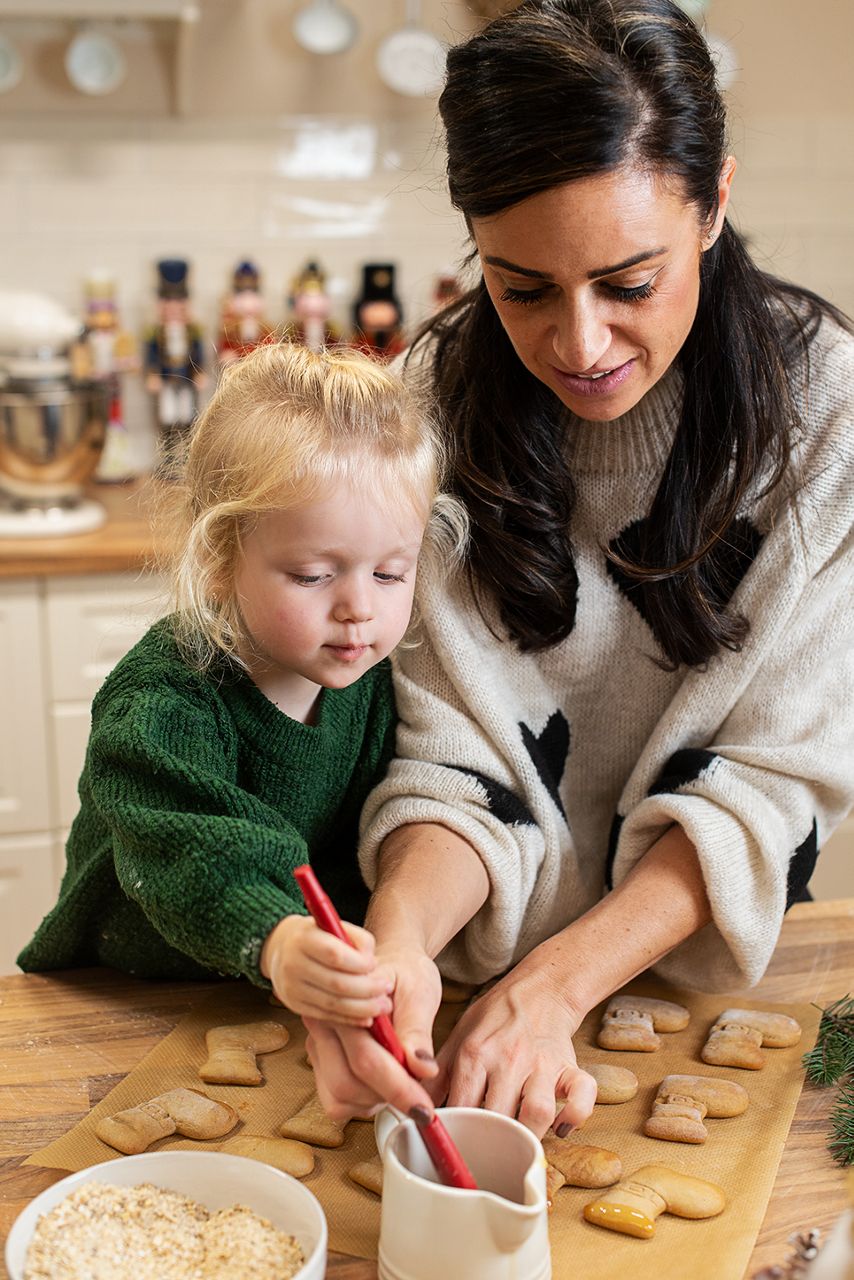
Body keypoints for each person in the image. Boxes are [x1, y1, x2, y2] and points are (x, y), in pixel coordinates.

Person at [304, 0, 854, 1138]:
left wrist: (554, 986)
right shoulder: (427, 414)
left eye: (627, 283)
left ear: (712, 206)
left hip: (690, 989)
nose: (580, 345)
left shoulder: (827, 416)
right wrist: (397, 941)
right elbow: (454, 756)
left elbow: (769, 784)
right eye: (520, 290)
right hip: (472, 992)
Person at [17, 341, 467, 1030]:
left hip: (279, 995)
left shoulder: (376, 679)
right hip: (128, 996)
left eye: (389, 573)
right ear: (220, 559)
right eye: (315, 575)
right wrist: (281, 938)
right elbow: (192, 847)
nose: (359, 609)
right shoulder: (164, 698)